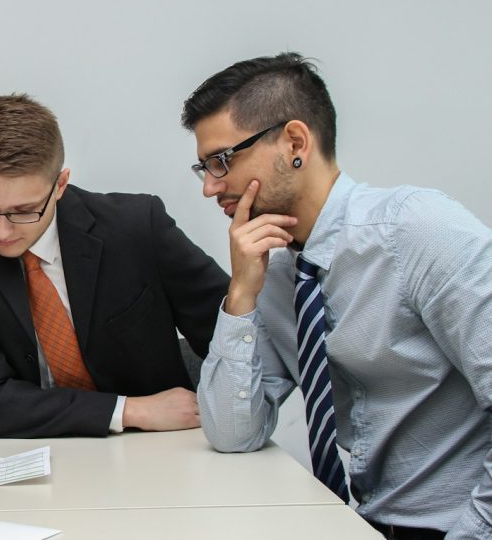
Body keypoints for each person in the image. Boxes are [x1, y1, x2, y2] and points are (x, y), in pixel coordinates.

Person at [184, 52, 492, 539]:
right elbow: (231, 433)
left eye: (222, 160)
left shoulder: (417, 231)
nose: (210, 187)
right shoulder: (276, 271)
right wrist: (241, 293)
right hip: (360, 523)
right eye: (203, 166)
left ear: (295, 142)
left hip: (457, 524)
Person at [0, 94, 229, 438]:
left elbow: (235, 341)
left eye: (23, 211)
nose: (2, 231)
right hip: (20, 451)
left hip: (156, 449)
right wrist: (130, 409)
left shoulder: (137, 227)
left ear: (60, 185)